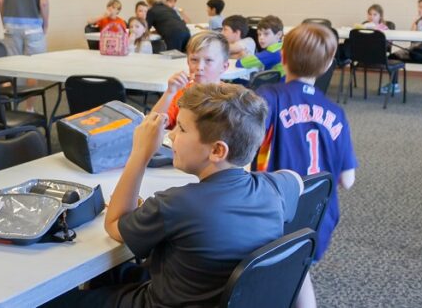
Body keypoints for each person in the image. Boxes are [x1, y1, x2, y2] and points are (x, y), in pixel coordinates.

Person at [44, 83, 303, 307]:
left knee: (52, 302)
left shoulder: (177, 203)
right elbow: (297, 181)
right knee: (115, 274)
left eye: (181, 128)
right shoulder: (274, 188)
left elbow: (113, 225)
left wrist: (140, 153)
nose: (170, 135)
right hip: (208, 296)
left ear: (216, 151)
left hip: (159, 303)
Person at [254, 23, 358, 308]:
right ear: (326, 66)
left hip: (274, 209)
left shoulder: (268, 97)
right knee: (297, 271)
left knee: (280, 273)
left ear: (283, 57)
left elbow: (244, 146)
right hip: (317, 215)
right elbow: (347, 180)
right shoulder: (336, 112)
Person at [152, 32, 230, 129]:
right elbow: (152, 124)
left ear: (224, 66)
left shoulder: (230, 99)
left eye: (208, 60)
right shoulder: (181, 92)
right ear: (188, 62)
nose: (199, 67)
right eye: (194, 60)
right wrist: (169, 93)